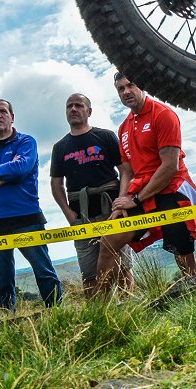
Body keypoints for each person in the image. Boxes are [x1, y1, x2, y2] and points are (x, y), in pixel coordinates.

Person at [95, 74, 196, 293]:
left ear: (143, 85)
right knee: (108, 242)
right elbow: (127, 170)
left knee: (183, 253)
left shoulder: (163, 114)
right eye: (120, 89)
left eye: (131, 85)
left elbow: (170, 166)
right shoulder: (123, 128)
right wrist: (123, 201)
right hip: (140, 193)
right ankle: (98, 311)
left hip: (171, 188)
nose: (126, 91)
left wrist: (137, 198)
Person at [0, 99, 62, 310]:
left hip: (26, 217)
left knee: (43, 271)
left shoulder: (26, 142)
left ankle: (57, 314)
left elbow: (21, 168)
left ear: (12, 117)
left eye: (3, 111)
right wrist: (0, 180)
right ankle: (7, 325)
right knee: (1, 281)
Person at [50, 92, 133, 292]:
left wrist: (121, 201)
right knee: (88, 274)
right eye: (69, 106)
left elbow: (125, 170)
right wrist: (68, 213)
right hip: (81, 214)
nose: (73, 109)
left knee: (123, 266)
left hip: (111, 209)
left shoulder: (105, 136)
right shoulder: (60, 147)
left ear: (89, 111)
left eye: (78, 105)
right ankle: (97, 315)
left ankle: (131, 308)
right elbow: (56, 183)